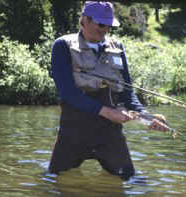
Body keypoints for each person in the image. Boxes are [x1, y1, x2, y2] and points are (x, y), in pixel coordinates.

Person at [49, 1, 168, 181]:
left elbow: (128, 92)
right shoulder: (62, 45)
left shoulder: (117, 47)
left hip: (109, 133)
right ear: (84, 20)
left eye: (109, 26)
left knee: (130, 179)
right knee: (53, 180)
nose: (105, 30)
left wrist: (145, 116)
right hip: (74, 131)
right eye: (101, 24)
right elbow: (67, 92)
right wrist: (107, 112)